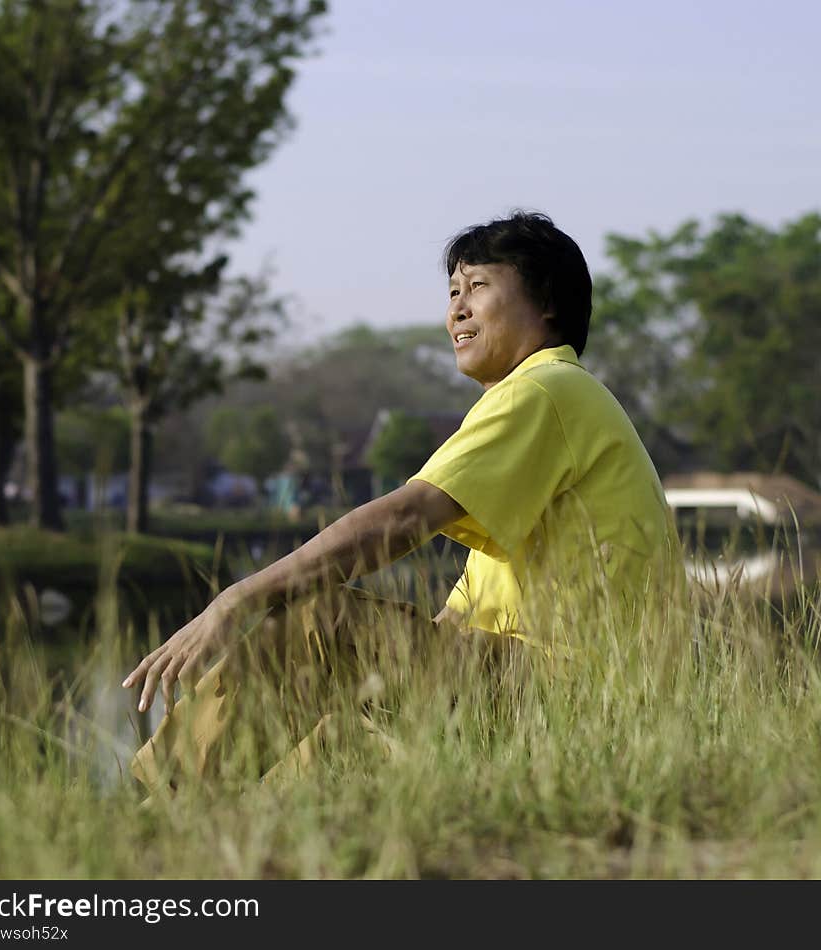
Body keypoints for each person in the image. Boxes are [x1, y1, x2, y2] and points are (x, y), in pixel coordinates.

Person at [122, 211, 679, 792]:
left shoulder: (544, 387)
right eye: (453, 292)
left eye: (480, 287)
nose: (458, 309)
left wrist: (235, 601)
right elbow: (455, 625)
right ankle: (189, 839)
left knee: (319, 621)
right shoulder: (546, 403)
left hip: (564, 695)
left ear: (547, 304)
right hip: (561, 698)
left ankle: (157, 797)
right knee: (340, 742)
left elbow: (408, 516)